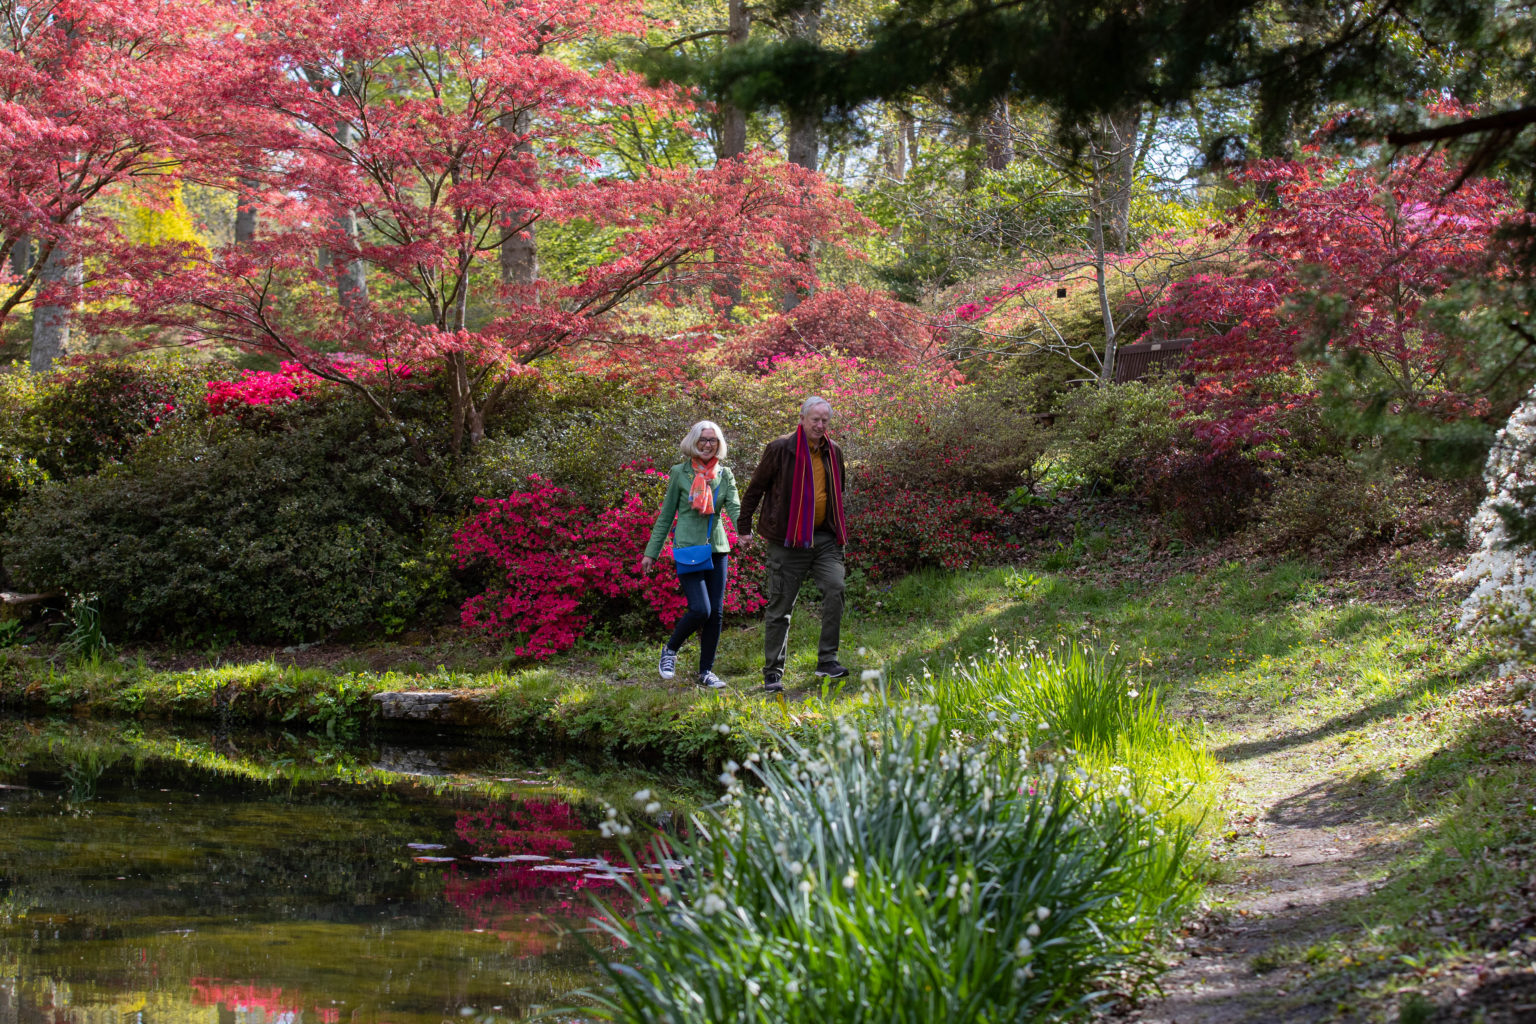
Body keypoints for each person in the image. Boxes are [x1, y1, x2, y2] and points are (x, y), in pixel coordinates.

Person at [738, 396, 849, 693]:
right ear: (801, 419)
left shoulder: (833, 451)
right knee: (780, 607)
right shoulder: (780, 448)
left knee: (836, 588)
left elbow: (839, 488)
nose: (820, 424)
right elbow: (755, 489)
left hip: (825, 539)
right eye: (814, 419)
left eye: (825, 420)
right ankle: (773, 672)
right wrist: (744, 527)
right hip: (787, 542)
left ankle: (827, 660)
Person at [641, 420, 741, 690]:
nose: (708, 444)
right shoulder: (679, 472)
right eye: (703, 439)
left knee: (716, 613)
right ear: (693, 441)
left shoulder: (725, 474)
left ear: (719, 444)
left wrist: (744, 529)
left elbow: (735, 507)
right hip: (687, 548)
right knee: (701, 609)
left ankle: (706, 672)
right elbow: (665, 516)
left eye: (713, 440)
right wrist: (652, 552)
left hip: (717, 548)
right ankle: (671, 649)